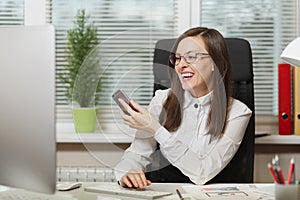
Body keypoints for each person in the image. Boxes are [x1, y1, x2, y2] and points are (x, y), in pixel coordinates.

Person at [114, 27, 252, 188]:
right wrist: (129, 171)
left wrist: (156, 129)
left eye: (191, 57)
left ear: (217, 63)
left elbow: (202, 173)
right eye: (177, 59)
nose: (181, 65)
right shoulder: (162, 100)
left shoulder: (238, 113)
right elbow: (137, 153)